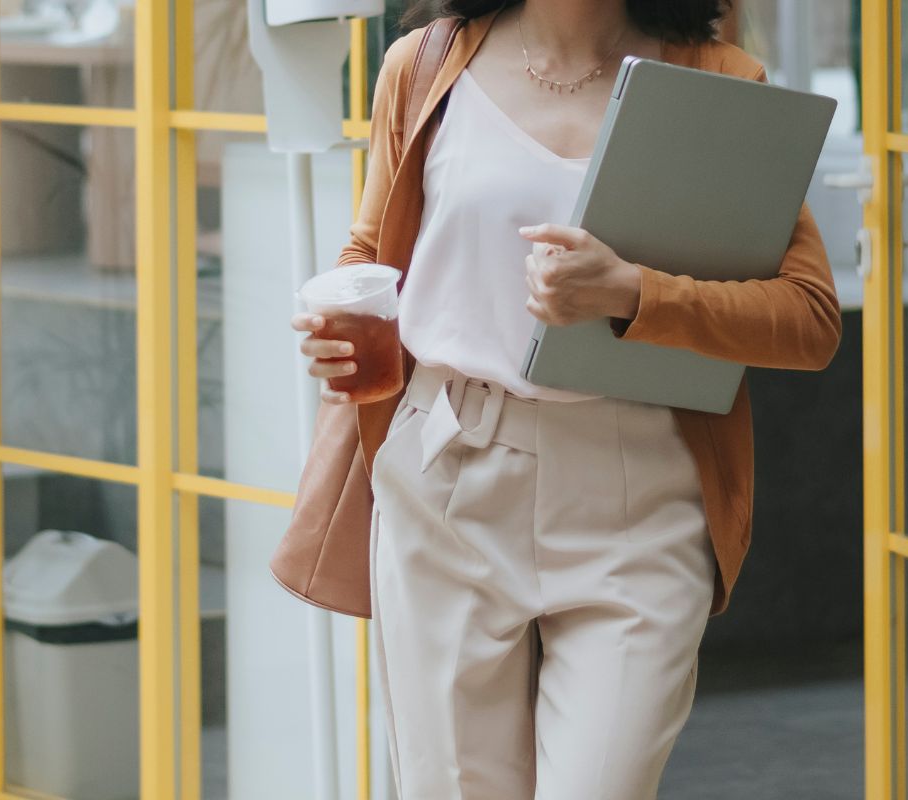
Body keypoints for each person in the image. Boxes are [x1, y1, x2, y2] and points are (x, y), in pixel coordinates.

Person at [285, 1, 841, 796]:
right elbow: (374, 247)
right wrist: (336, 319)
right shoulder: (423, 65)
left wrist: (632, 292)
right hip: (447, 474)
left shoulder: (715, 79)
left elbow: (809, 319)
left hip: (639, 494)